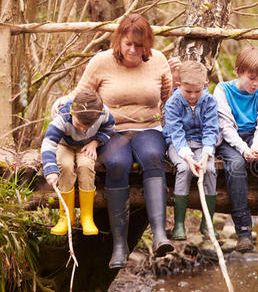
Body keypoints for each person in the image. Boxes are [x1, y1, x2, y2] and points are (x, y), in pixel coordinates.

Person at [55, 14, 174, 268]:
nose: (133, 50)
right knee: (118, 163)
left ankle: (160, 234)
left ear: (147, 45)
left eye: (139, 45)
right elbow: (82, 96)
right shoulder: (101, 62)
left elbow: (167, 97)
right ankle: (120, 246)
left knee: (153, 156)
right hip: (109, 131)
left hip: (147, 128)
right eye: (128, 43)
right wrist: (63, 107)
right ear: (119, 40)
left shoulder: (159, 61)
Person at [214, 46, 258, 252]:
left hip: (255, 137)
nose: (256, 83)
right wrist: (243, 149)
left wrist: (257, 146)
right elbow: (225, 126)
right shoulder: (222, 90)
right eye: (251, 78)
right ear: (237, 71)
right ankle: (243, 230)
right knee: (235, 164)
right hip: (231, 138)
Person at [42, 89, 115, 236]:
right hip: (64, 145)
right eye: (78, 124)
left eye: (86, 127)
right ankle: (66, 217)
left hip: (86, 145)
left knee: (86, 165)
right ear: (72, 111)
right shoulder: (62, 117)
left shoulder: (102, 113)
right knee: (65, 165)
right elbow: (48, 143)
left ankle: (86, 217)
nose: (81, 129)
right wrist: (50, 169)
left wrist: (95, 142)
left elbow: (110, 128)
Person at [163, 60, 219, 241]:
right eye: (188, 91)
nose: (193, 96)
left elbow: (211, 129)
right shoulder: (173, 102)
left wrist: (205, 155)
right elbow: (176, 132)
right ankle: (179, 224)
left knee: (209, 169)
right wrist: (187, 157)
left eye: (197, 91)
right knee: (184, 169)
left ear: (205, 85)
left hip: (203, 145)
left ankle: (207, 222)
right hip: (178, 145)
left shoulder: (209, 101)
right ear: (179, 85)